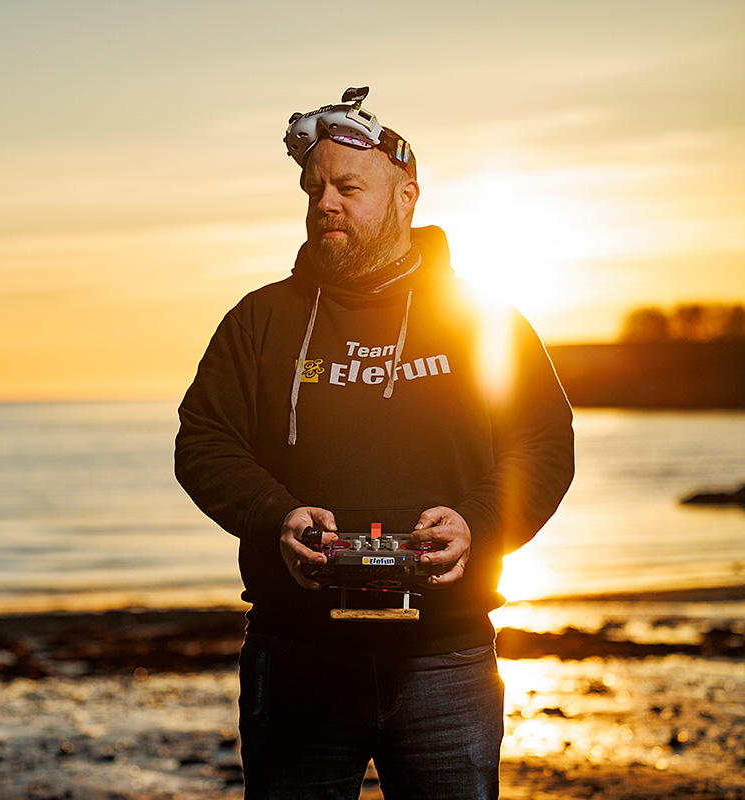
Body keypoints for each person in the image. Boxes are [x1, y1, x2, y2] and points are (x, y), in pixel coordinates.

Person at [173, 87, 575, 799]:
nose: (325, 202)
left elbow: (543, 442)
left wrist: (481, 525)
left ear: (405, 196)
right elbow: (205, 440)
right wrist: (277, 516)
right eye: (314, 187)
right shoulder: (261, 320)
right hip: (298, 656)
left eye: (348, 187)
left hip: (446, 657)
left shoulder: (481, 318)